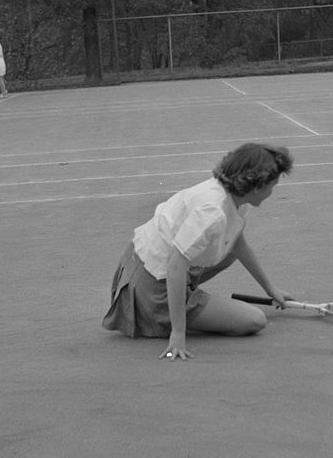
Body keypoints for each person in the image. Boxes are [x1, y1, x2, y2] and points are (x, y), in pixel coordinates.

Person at [102, 143, 295, 361]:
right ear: (257, 186)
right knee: (254, 320)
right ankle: (177, 310)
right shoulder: (212, 212)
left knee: (229, 249)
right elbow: (175, 266)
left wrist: (271, 289)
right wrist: (178, 334)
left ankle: (190, 302)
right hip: (151, 287)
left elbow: (238, 244)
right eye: (273, 185)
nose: (272, 192)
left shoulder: (234, 196)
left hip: (143, 265)